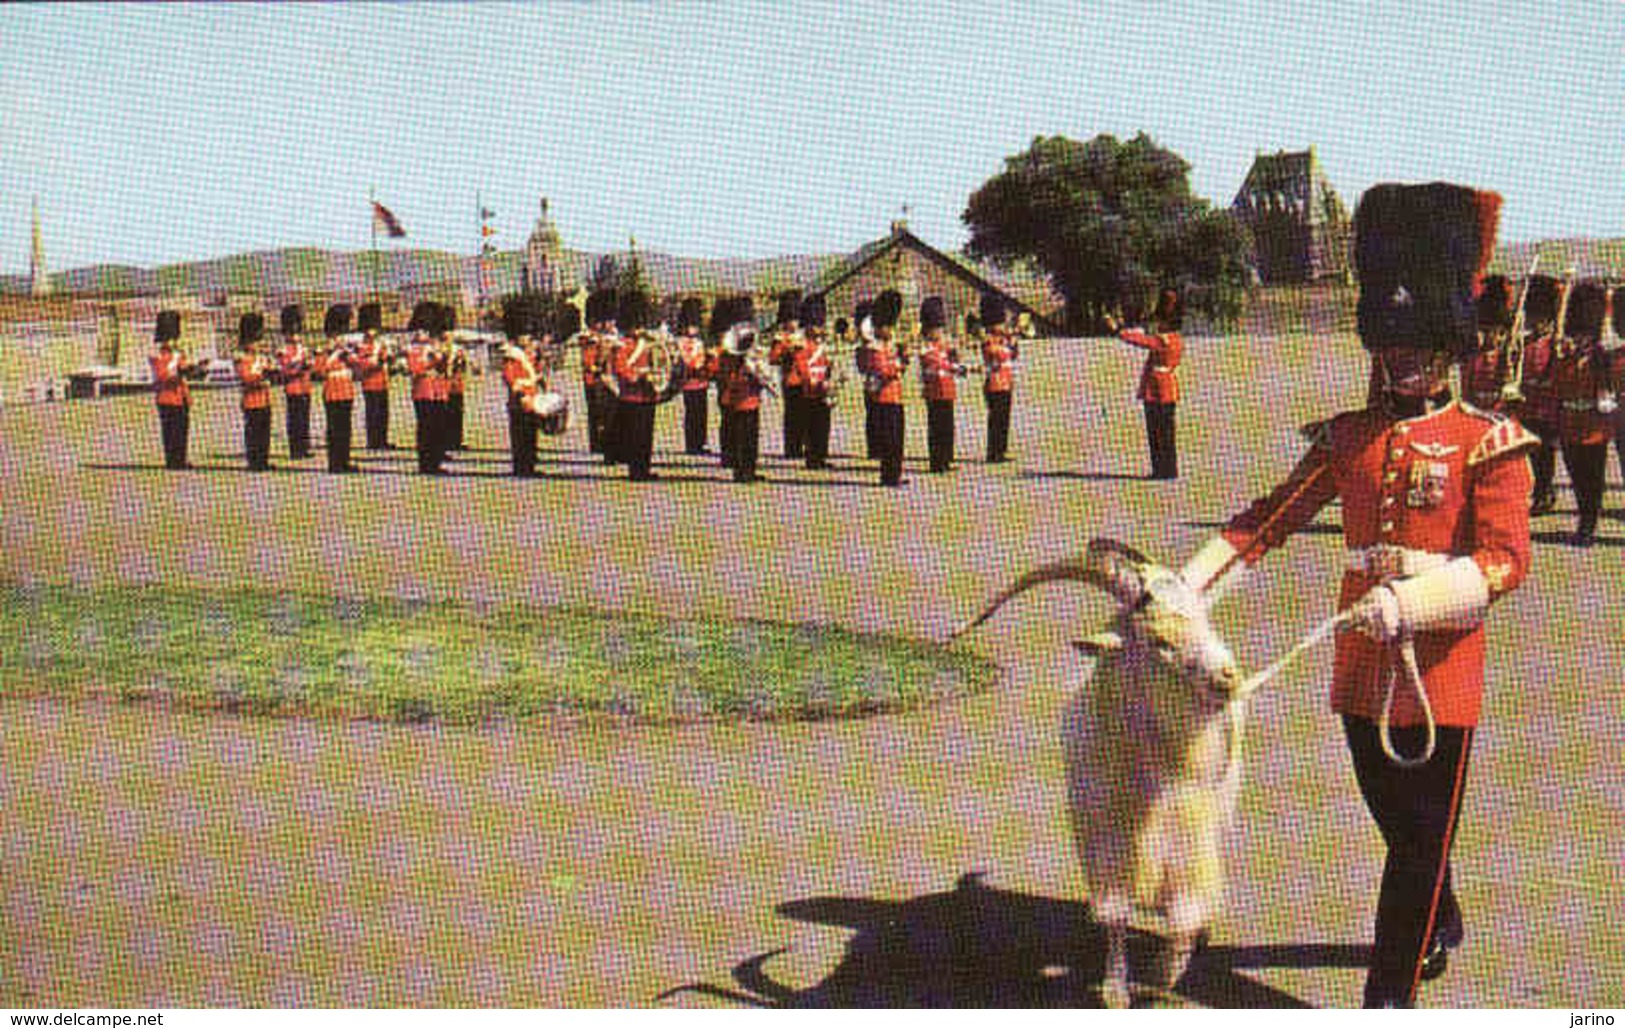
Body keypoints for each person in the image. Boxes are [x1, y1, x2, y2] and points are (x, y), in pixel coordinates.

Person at [1180, 183, 1533, 1008]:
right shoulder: (1348, 437)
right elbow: (1268, 520)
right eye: (1392, 342)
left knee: (1410, 848)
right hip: (1357, 672)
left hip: (1439, 673)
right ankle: (1439, 913)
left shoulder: (1491, 442)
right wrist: (1186, 586)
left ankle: (1387, 1002)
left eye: (1419, 343)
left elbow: (1504, 562)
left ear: (1451, 345)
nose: (1403, 357)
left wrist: (1411, 602)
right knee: (1400, 824)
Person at [1549, 281, 1617, 546]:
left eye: (1583, 335)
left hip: (1594, 428)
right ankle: (1584, 516)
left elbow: (1608, 394)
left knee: (1593, 479)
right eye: (1576, 335)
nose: (1578, 340)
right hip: (1569, 426)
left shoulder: (1602, 360)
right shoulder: (1563, 358)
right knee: (1577, 478)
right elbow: (1556, 393)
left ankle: (1588, 522)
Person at [1110, 288, 1184, 480]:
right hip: (1168, 387)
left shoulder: (1165, 340)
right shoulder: (1175, 339)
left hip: (1158, 388)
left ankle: (1162, 470)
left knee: (1158, 432)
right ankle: (1167, 469)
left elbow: (1140, 340)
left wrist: (1118, 330)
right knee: (1165, 432)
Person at [1514, 275, 1563, 515]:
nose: (1537, 324)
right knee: (1533, 451)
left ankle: (1545, 491)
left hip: (1547, 404)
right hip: (1528, 404)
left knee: (1546, 452)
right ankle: (1540, 490)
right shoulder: (1523, 342)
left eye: (1541, 320)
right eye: (1534, 319)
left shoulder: (1555, 342)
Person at [716, 296, 771, 483]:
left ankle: (750, 468)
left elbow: (766, 374)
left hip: (751, 399)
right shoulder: (725, 353)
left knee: (751, 438)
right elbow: (721, 375)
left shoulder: (753, 351)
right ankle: (740, 471)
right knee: (739, 437)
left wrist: (759, 369)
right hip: (735, 399)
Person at [612, 291, 660, 482]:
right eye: (636, 324)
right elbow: (621, 369)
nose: (639, 328)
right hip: (631, 395)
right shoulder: (622, 345)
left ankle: (644, 467)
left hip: (648, 394)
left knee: (646, 435)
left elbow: (659, 361)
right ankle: (636, 470)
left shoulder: (648, 343)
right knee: (635, 436)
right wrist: (639, 375)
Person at [917, 295, 964, 473]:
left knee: (947, 427)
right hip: (934, 392)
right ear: (928, 329)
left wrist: (957, 354)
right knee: (936, 428)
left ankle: (946, 458)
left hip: (947, 390)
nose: (939, 332)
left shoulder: (943, 346)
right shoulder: (926, 347)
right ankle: (937, 462)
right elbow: (937, 364)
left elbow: (954, 361)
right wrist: (956, 366)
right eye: (936, 328)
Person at [866, 289, 908, 487]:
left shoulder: (888, 346)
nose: (891, 331)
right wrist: (899, 365)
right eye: (888, 327)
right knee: (889, 441)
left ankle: (895, 474)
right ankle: (888, 476)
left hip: (895, 396)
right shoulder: (875, 348)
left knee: (897, 440)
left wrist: (903, 361)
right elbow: (883, 370)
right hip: (883, 397)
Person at [147, 309, 196, 470]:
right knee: (170, 431)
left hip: (181, 396)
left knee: (182, 429)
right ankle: (172, 460)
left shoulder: (178, 353)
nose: (172, 342)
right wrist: (181, 370)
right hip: (167, 396)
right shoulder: (157, 355)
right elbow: (163, 375)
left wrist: (193, 369)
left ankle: (180, 459)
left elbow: (182, 370)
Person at [406, 302, 449, 475]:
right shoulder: (413, 349)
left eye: (424, 330)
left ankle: (436, 460)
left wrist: (442, 358)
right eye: (419, 330)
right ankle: (425, 463)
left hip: (438, 390)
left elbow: (444, 370)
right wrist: (431, 359)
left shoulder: (435, 346)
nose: (420, 334)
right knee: (425, 428)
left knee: (438, 427)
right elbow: (415, 369)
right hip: (422, 391)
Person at [316, 304, 359, 474]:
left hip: (346, 389)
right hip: (332, 391)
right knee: (334, 429)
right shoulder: (325, 350)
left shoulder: (345, 349)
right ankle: (335, 463)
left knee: (345, 429)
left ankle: (344, 460)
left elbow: (357, 367)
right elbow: (319, 370)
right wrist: (334, 353)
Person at [501, 302, 541, 478]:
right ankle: (521, 467)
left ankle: (529, 465)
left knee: (531, 435)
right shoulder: (512, 355)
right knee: (520, 437)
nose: (528, 338)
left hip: (531, 400)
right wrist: (522, 394)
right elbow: (510, 379)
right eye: (524, 335)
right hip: (519, 401)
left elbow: (536, 374)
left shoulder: (528, 354)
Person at [1462, 275, 1513, 412]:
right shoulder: (1470, 357)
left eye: (1493, 332)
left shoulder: (1504, 358)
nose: (1486, 336)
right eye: (1483, 330)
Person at [795, 294, 835, 469]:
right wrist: (813, 383)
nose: (819, 328)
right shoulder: (803, 346)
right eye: (815, 324)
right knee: (811, 426)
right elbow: (802, 367)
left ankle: (820, 455)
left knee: (822, 425)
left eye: (820, 324)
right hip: (810, 390)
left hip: (822, 390)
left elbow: (826, 367)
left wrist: (831, 377)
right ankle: (812, 458)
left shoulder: (822, 346)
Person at [979, 293, 1018, 463]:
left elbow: (1013, 355)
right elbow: (1000, 355)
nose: (1003, 326)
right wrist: (1010, 339)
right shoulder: (988, 340)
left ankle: (1001, 449)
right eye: (1000, 323)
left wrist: (1013, 341)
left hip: (1006, 382)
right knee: (996, 420)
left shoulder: (1002, 339)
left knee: (1004, 418)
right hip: (994, 384)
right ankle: (993, 452)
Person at [235, 312, 276, 472]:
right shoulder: (242, 358)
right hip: (251, 399)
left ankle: (263, 460)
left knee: (264, 432)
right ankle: (254, 462)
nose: (259, 344)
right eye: (255, 341)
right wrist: (263, 374)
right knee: (253, 434)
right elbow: (246, 377)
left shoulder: (262, 357)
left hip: (264, 398)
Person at [674, 297, 714, 455]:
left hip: (701, 381)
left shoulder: (700, 342)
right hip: (688, 381)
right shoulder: (680, 342)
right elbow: (682, 360)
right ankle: (691, 444)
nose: (692, 329)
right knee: (691, 414)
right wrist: (693, 366)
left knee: (701, 413)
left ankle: (700, 442)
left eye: (694, 326)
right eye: (690, 326)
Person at [769, 290, 805, 459]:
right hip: (790, 380)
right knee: (792, 416)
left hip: (805, 381)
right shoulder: (780, 338)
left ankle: (804, 445)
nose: (794, 323)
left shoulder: (804, 337)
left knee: (805, 415)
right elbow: (773, 358)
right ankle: (792, 448)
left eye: (796, 320)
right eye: (791, 320)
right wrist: (788, 352)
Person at [275, 305, 313, 459]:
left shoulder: (303, 349)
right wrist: (300, 367)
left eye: (297, 332)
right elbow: (286, 370)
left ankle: (304, 446)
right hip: (293, 388)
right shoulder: (283, 351)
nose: (295, 336)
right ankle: (295, 449)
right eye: (292, 333)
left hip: (305, 387)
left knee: (304, 419)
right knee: (295, 420)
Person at [355, 302, 394, 450]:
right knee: (372, 412)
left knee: (383, 412)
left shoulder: (381, 344)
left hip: (382, 381)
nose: (373, 332)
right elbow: (363, 364)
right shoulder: (362, 346)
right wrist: (378, 361)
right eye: (370, 328)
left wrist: (388, 359)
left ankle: (382, 439)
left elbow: (386, 360)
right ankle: (373, 441)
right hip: (369, 381)